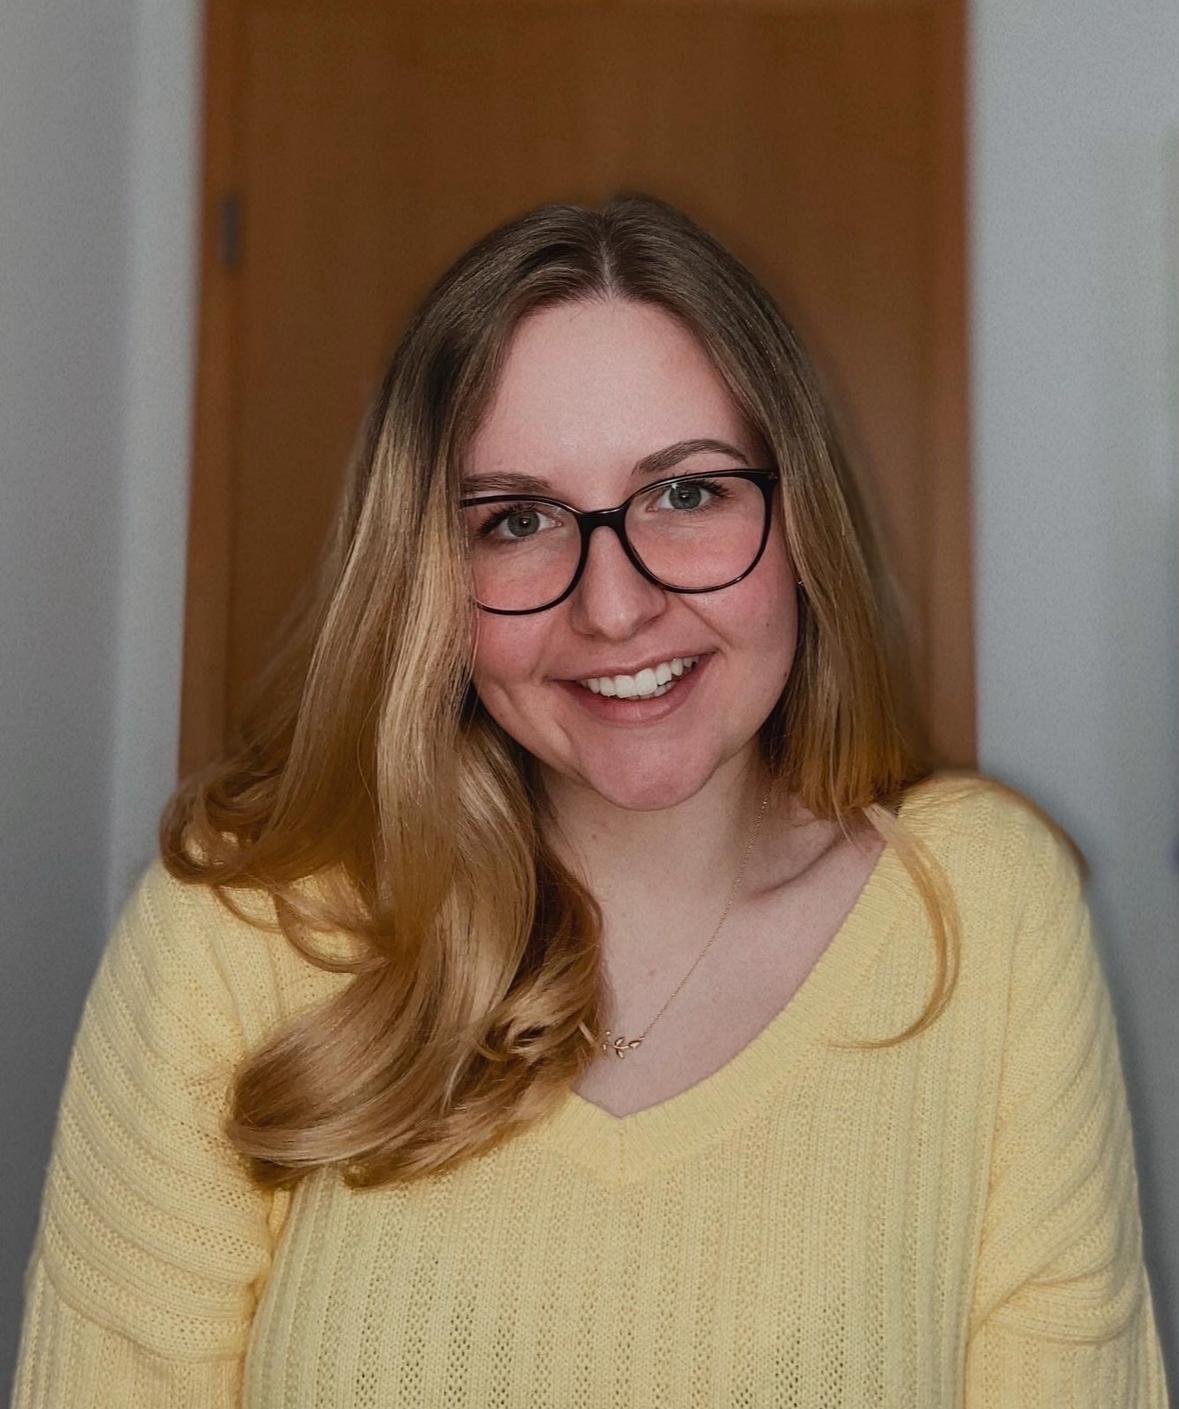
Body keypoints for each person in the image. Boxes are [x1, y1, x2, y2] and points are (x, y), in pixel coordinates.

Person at [11, 195, 1168, 1409]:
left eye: (687, 494)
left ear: (801, 519)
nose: (614, 607)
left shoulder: (984, 911)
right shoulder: (242, 926)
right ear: (428, 573)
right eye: (517, 519)